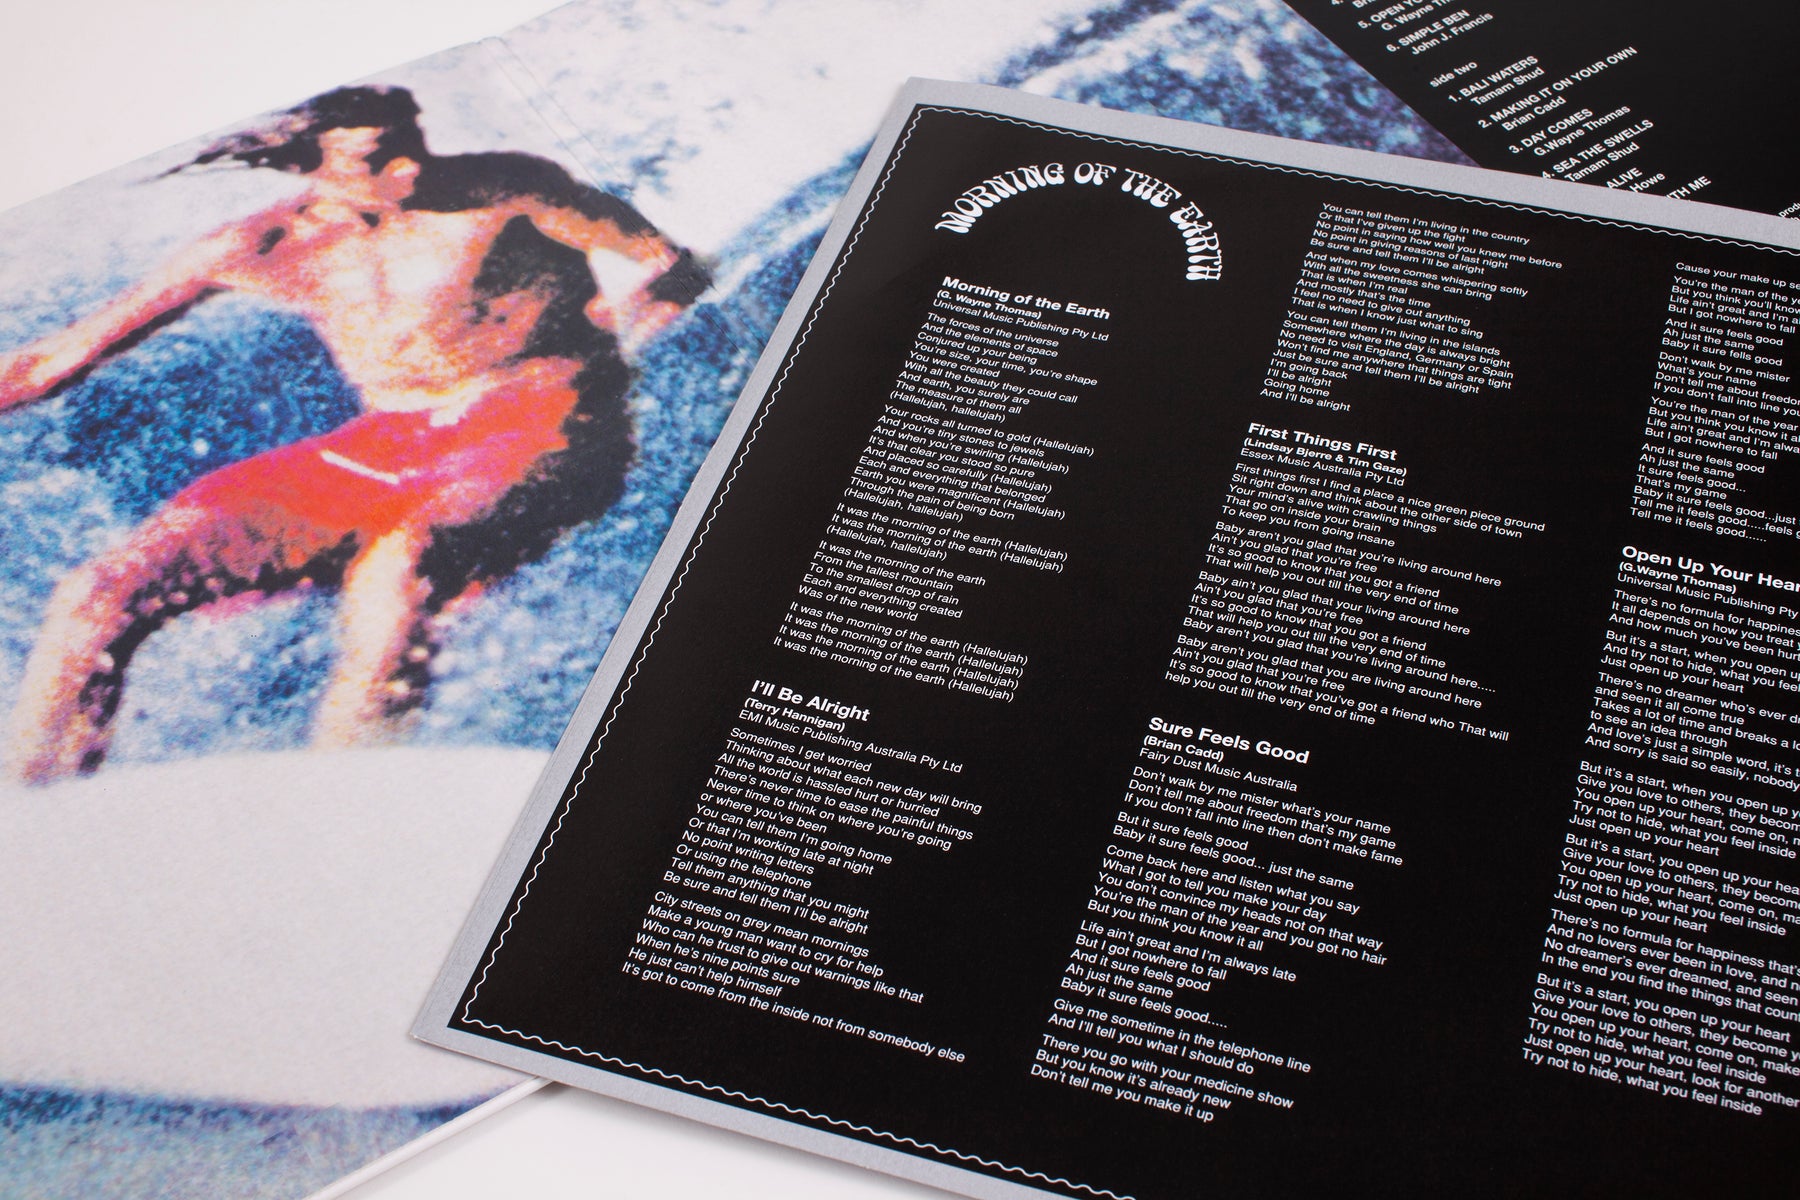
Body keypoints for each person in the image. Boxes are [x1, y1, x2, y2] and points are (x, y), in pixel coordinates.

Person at [0, 85, 708, 783]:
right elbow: (49, 361)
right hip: (390, 441)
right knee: (97, 594)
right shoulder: (262, 246)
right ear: (311, 165)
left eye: (411, 142)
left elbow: (666, 261)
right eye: (378, 158)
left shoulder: (506, 192)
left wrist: (634, 329)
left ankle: (344, 802)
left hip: (537, 417)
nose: (411, 167)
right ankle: (35, 806)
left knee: (399, 564)